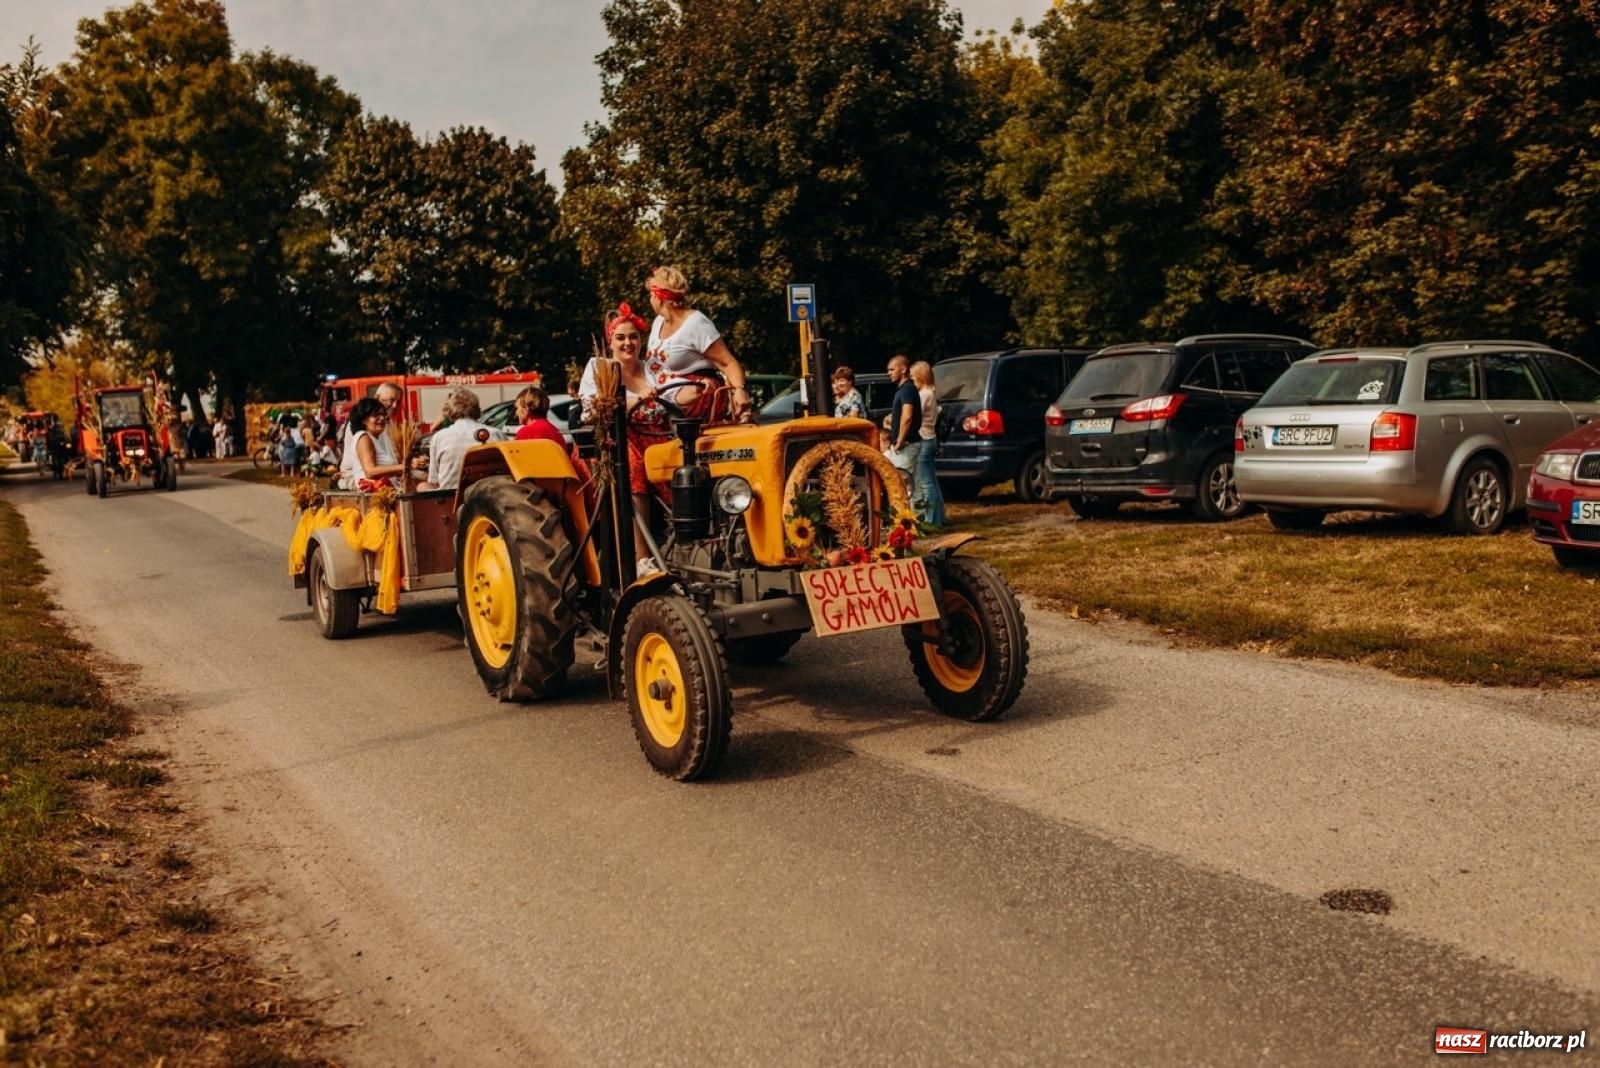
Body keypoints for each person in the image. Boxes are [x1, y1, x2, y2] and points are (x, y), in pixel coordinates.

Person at [579, 302, 674, 576]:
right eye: (620, 337)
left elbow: (674, 396)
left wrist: (703, 389)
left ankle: (687, 543)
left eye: (633, 337)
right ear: (610, 341)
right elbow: (593, 409)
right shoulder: (600, 368)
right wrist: (635, 399)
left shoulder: (653, 368)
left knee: (687, 464)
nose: (628, 343)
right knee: (634, 468)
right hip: (618, 440)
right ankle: (642, 560)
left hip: (658, 438)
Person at [642, 265, 753, 424]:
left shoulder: (696, 324)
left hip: (697, 400)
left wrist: (740, 391)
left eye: (651, 295)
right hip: (665, 397)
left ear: (660, 298)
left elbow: (728, 363)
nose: (650, 300)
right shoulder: (658, 322)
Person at [419, 387, 504, 491]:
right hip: (492, 495)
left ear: (450, 413)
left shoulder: (439, 438)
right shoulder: (497, 434)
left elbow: (434, 481)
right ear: (478, 411)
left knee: (422, 486)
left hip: (451, 499)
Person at [339, 397, 414, 490]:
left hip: (388, 489)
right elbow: (370, 472)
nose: (382, 418)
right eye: (375, 415)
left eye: (383, 414)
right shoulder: (363, 437)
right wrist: (402, 467)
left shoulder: (376, 438)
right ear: (363, 419)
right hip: (377, 493)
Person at [909, 360, 946, 527]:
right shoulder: (930, 393)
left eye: (912, 376)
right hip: (930, 438)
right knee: (931, 480)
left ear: (920, 376)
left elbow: (914, 415)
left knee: (925, 482)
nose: (911, 380)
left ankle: (929, 519)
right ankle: (938, 517)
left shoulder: (924, 395)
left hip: (924, 439)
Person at [883, 354, 922, 489]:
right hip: (905, 445)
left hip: (906, 445)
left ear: (904, 369)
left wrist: (899, 441)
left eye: (892, 369)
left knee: (902, 485)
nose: (888, 373)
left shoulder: (907, 389)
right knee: (908, 485)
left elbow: (907, 416)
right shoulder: (903, 389)